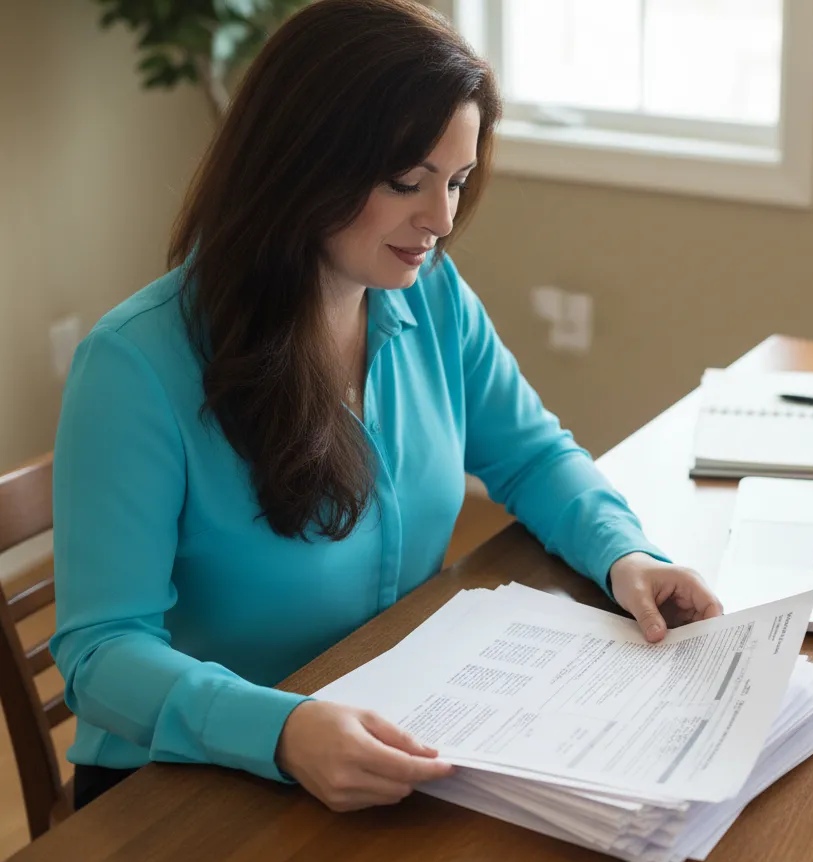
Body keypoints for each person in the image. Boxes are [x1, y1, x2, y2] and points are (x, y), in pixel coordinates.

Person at [50, 0, 721, 814]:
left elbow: (532, 454)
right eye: (408, 182)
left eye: (458, 180)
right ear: (304, 163)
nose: (441, 219)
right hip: (192, 781)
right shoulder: (136, 366)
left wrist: (627, 558)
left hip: (395, 729)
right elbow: (100, 652)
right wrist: (283, 731)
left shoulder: (430, 296)